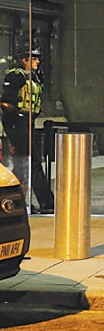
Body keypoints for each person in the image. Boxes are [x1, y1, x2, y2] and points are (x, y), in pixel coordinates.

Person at [0, 46, 54, 214]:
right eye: (34, 58)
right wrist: (18, 119)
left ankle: (18, 200)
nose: (37, 61)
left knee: (24, 163)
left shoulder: (33, 77)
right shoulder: (16, 75)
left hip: (26, 122)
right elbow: (6, 102)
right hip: (19, 123)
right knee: (31, 162)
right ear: (25, 59)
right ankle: (46, 201)